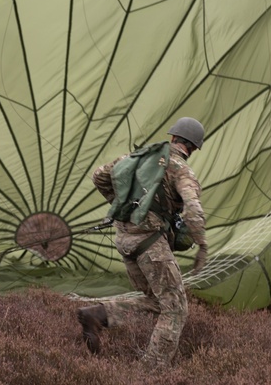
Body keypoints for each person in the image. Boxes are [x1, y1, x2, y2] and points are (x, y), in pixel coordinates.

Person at [77, 117, 209, 367]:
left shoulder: (136, 159)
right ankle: (151, 372)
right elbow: (193, 207)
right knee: (175, 310)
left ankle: (98, 315)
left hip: (125, 240)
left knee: (158, 302)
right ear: (192, 147)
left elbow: (99, 176)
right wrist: (201, 243)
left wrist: (123, 207)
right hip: (151, 246)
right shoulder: (181, 169)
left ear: (173, 138)